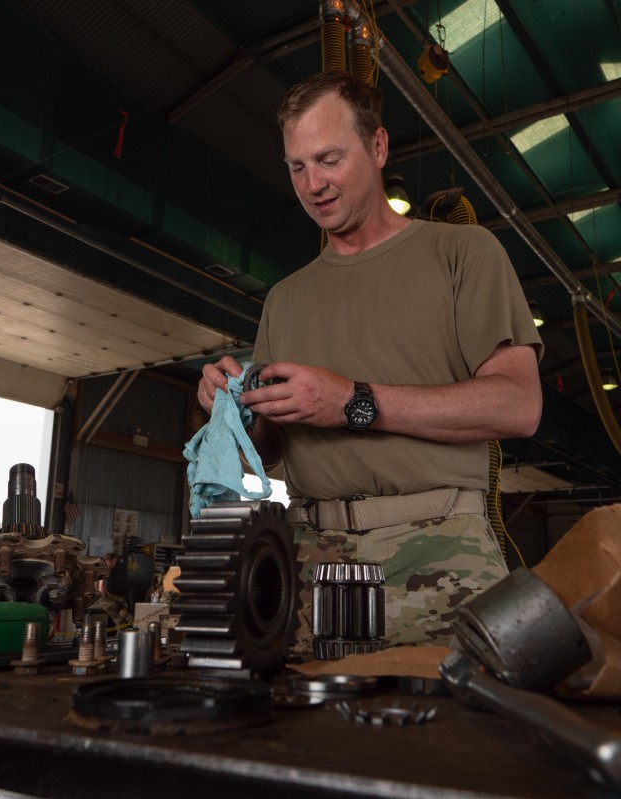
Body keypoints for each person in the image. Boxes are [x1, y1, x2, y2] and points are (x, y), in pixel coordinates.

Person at [198, 70, 543, 652]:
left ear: (378, 146)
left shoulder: (462, 253)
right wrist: (230, 408)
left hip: (440, 551)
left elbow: (519, 405)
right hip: (309, 560)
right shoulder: (286, 297)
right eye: (296, 166)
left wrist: (354, 402)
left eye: (329, 159)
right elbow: (270, 451)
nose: (313, 184)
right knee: (307, 735)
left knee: (447, 736)